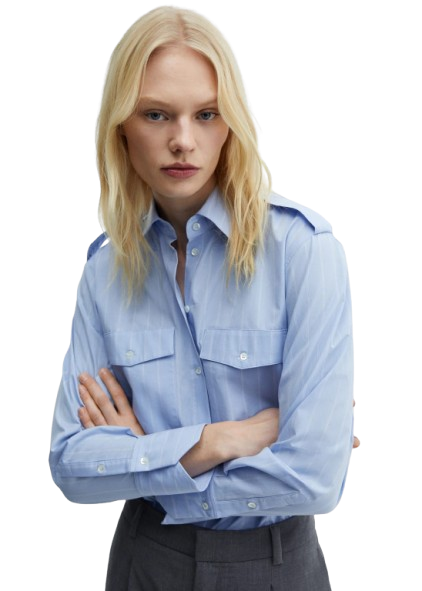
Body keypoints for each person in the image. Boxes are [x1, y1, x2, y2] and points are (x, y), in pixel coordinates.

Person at [49, 5, 359, 590]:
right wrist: (219, 441)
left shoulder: (304, 251)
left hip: (276, 565)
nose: (183, 141)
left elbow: (317, 479)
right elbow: (73, 466)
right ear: (121, 128)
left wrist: (150, 461)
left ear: (231, 123)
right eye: (156, 114)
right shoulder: (104, 272)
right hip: (145, 563)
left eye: (206, 114)